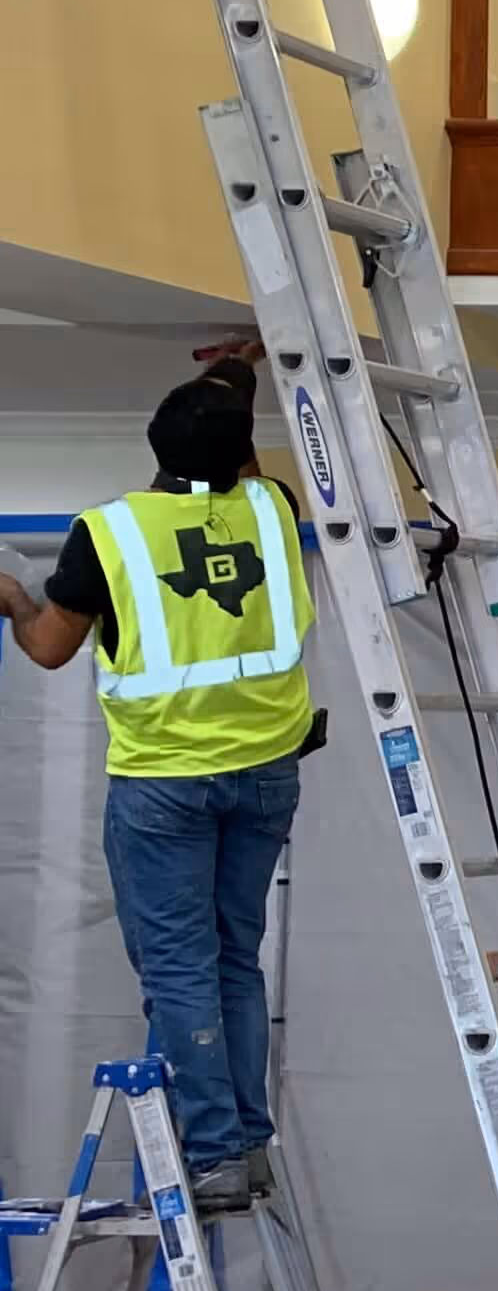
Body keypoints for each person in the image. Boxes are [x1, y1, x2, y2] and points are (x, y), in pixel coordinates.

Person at [0, 354, 320, 1209]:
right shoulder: (272, 507)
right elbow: (237, 450)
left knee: (180, 968)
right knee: (234, 957)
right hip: (265, 772)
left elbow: (49, 647)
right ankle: (247, 1144)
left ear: (156, 448)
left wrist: (14, 599)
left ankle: (213, 1155)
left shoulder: (110, 533)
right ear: (240, 449)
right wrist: (239, 371)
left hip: (165, 782)